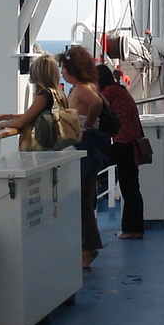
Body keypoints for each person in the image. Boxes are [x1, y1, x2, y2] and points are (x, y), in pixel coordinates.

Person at [61, 45, 108, 271]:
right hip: (83, 149)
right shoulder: (82, 87)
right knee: (84, 201)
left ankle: (87, 251)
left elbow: (97, 103)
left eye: (64, 68)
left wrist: (87, 125)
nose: (61, 72)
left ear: (73, 68)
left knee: (82, 202)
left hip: (83, 148)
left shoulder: (81, 89)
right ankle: (86, 248)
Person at [0, 52, 73, 151]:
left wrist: (3, 124)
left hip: (44, 148)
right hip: (57, 146)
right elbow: (32, 116)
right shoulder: (59, 94)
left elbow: (22, 122)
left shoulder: (44, 96)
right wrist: (4, 117)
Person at [97, 64, 146, 240]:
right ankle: (134, 228)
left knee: (96, 160)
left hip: (125, 143)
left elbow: (94, 106)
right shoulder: (119, 89)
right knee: (131, 186)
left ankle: (131, 229)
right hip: (131, 142)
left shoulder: (108, 92)